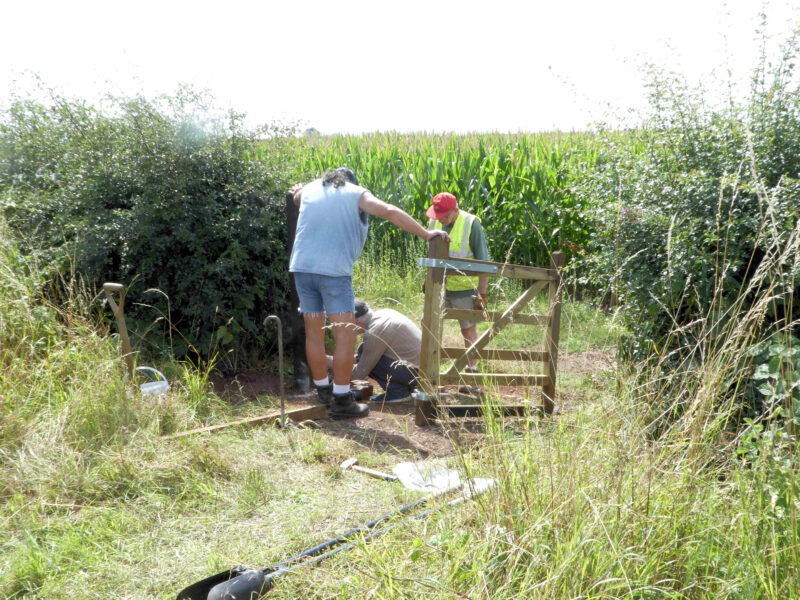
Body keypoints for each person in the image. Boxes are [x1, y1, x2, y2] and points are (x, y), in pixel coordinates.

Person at [289, 167, 450, 418]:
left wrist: (297, 191)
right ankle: (342, 400)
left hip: (301, 268)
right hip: (334, 271)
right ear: (349, 183)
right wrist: (426, 233)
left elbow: (297, 196)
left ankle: (322, 390)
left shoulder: (310, 188)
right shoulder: (355, 193)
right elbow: (389, 211)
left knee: (314, 334)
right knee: (346, 335)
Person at [426, 192, 490, 373]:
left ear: (456, 210)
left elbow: (484, 263)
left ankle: (472, 370)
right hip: (439, 286)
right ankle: (430, 369)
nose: (441, 219)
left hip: (464, 288)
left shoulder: (471, 224)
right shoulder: (434, 221)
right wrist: (427, 278)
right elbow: (431, 254)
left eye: (445, 215)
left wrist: (482, 293)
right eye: (438, 215)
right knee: (430, 325)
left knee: (467, 329)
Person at [327, 299, 421, 403]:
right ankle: (405, 388)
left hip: (414, 374)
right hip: (421, 371)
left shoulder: (374, 333)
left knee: (367, 355)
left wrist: (333, 376)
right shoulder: (384, 313)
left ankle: (398, 392)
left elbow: (359, 373)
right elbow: (362, 357)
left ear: (356, 322)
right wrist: (333, 360)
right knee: (363, 350)